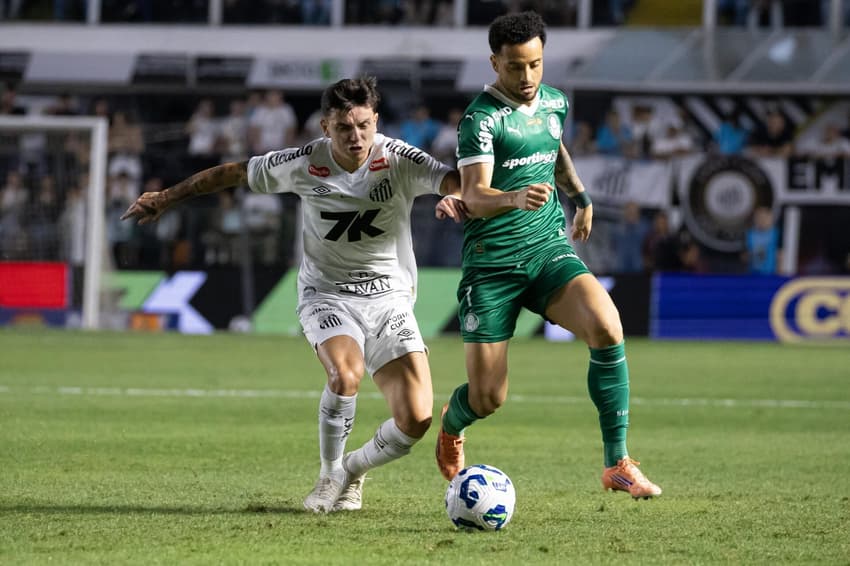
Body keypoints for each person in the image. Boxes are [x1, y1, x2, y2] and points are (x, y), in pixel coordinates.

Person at [122, 76, 466, 513]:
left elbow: (455, 182)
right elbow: (233, 172)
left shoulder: (398, 158)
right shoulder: (304, 161)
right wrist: (168, 196)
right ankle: (328, 475)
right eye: (344, 128)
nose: (356, 136)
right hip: (327, 294)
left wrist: (458, 199)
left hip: (390, 299)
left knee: (416, 419)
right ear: (326, 127)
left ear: (375, 121)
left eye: (364, 125)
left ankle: (353, 471)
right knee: (345, 375)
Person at [434, 11, 662, 499]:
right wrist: (513, 197)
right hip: (492, 268)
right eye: (515, 67)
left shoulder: (554, 101)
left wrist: (580, 197)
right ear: (495, 62)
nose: (527, 78)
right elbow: (472, 197)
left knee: (607, 326)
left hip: (546, 250)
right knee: (488, 398)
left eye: (535, 64)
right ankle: (453, 424)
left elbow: (554, 147)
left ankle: (616, 463)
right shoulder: (480, 118)